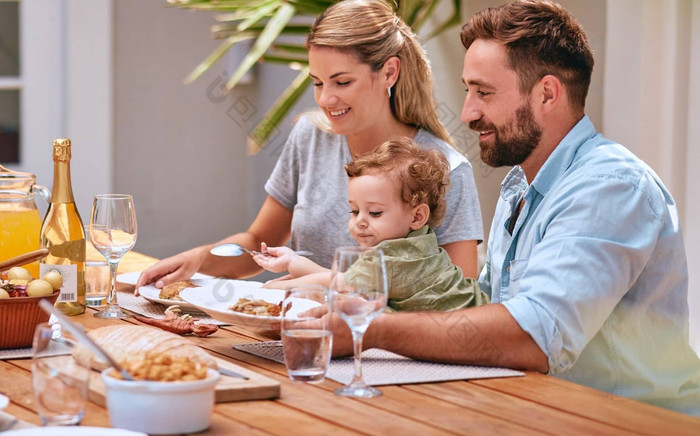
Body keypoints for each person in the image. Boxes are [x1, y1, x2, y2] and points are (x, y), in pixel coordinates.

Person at [327, 0, 700, 416]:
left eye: (483, 92)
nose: (467, 112)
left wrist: (370, 330)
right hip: (541, 412)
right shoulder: (519, 187)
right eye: (468, 90)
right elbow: (487, 311)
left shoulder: (609, 186)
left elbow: (533, 337)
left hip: (633, 423)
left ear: (547, 94)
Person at [135, 0, 483, 292]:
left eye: (342, 81)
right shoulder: (310, 138)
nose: (326, 99)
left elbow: (455, 299)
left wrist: (326, 289)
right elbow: (258, 241)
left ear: (389, 73)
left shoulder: (446, 170)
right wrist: (200, 259)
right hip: (299, 339)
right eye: (317, 82)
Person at [254, 137, 489, 311]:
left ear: (417, 217)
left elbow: (337, 283)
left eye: (375, 212)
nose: (360, 222)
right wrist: (293, 262)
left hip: (473, 331)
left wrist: (269, 291)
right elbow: (344, 280)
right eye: (354, 211)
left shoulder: (400, 257)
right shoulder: (414, 243)